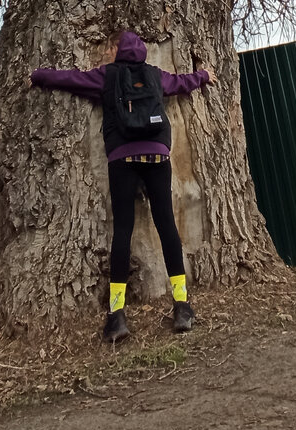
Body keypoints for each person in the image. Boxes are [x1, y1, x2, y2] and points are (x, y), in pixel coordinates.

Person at [31, 30, 216, 342]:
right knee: (167, 226)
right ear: (142, 52)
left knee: (123, 231)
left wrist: (38, 76)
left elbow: (71, 79)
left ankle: (117, 315)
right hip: (157, 155)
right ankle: (182, 305)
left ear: (117, 52)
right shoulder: (156, 76)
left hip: (122, 158)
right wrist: (203, 76)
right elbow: (182, 83)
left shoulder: (107, 76)